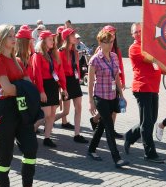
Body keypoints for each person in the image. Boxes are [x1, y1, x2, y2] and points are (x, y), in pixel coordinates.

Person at [0, 24, 46, 187]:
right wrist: (23, 87)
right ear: (1, 39)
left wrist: (21, 87)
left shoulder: (17, 61)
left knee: (30, 147)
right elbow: (7, 89)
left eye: (14, 36)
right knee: (4, 154)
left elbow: (26, 84)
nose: (14, 39)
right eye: (10, 36)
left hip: (20, 108)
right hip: (4, 111)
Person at [124, 23, 166, 163]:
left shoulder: (149, 47)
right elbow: (150, 59)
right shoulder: (134, 48)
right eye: (136, 32)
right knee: (147, 123)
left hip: (153, 88)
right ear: (132, 35)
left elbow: (157, 67)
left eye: (140, 31)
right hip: (142, 87)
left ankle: (130, 135)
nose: (138, 34)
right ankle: (149, 153)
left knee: (150, 120)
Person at [87, 29, 129, 168]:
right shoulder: (94, 60)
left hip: (112, 96)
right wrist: (91, 102)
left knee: (102, 126)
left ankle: (91, 149)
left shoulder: (114, 57)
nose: (111, 44)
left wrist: (121, 95)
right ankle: (116, 158)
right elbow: (90, 81)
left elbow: (116, 76)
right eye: (107, 42)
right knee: (109, 127)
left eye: (112, 42)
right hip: (100, 96)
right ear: (100, 42)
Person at [32, 30, 68, 148]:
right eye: (50, 39)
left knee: (52, 114)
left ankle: (47, 138)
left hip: (53, 85)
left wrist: (64, 87)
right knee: (45, 114)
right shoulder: (38, 55)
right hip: (44, 85)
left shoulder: (54, 54)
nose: (52, 41)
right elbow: (37, 75)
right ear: (43, 41)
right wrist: (41, 91)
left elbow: (60, 72)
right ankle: (29, 133)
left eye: (52, 39)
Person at [89, 25, 125, 139]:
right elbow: (93, 73)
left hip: (114, 85)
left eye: (114, 34)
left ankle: (109, 129)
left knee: (114, 110)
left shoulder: (115, 51)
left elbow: (120, 68)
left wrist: (122, 80)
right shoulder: (99, 52)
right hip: (103, 90)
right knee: (107, 112)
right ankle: (108, 129)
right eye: (110, 33)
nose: (113, 36)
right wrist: (91, 100)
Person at [55, 28, 88, 143]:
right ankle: (45, 122)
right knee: (65, 111)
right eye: (72, 35)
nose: (75, 37)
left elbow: (76, 67)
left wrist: (78, 78)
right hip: (66, 82)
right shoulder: (61, 51)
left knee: (79, 107)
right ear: (67, 37)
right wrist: (63, 88)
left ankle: (77, 134)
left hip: (74, 81)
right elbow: (60, 71)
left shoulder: (74, 51)